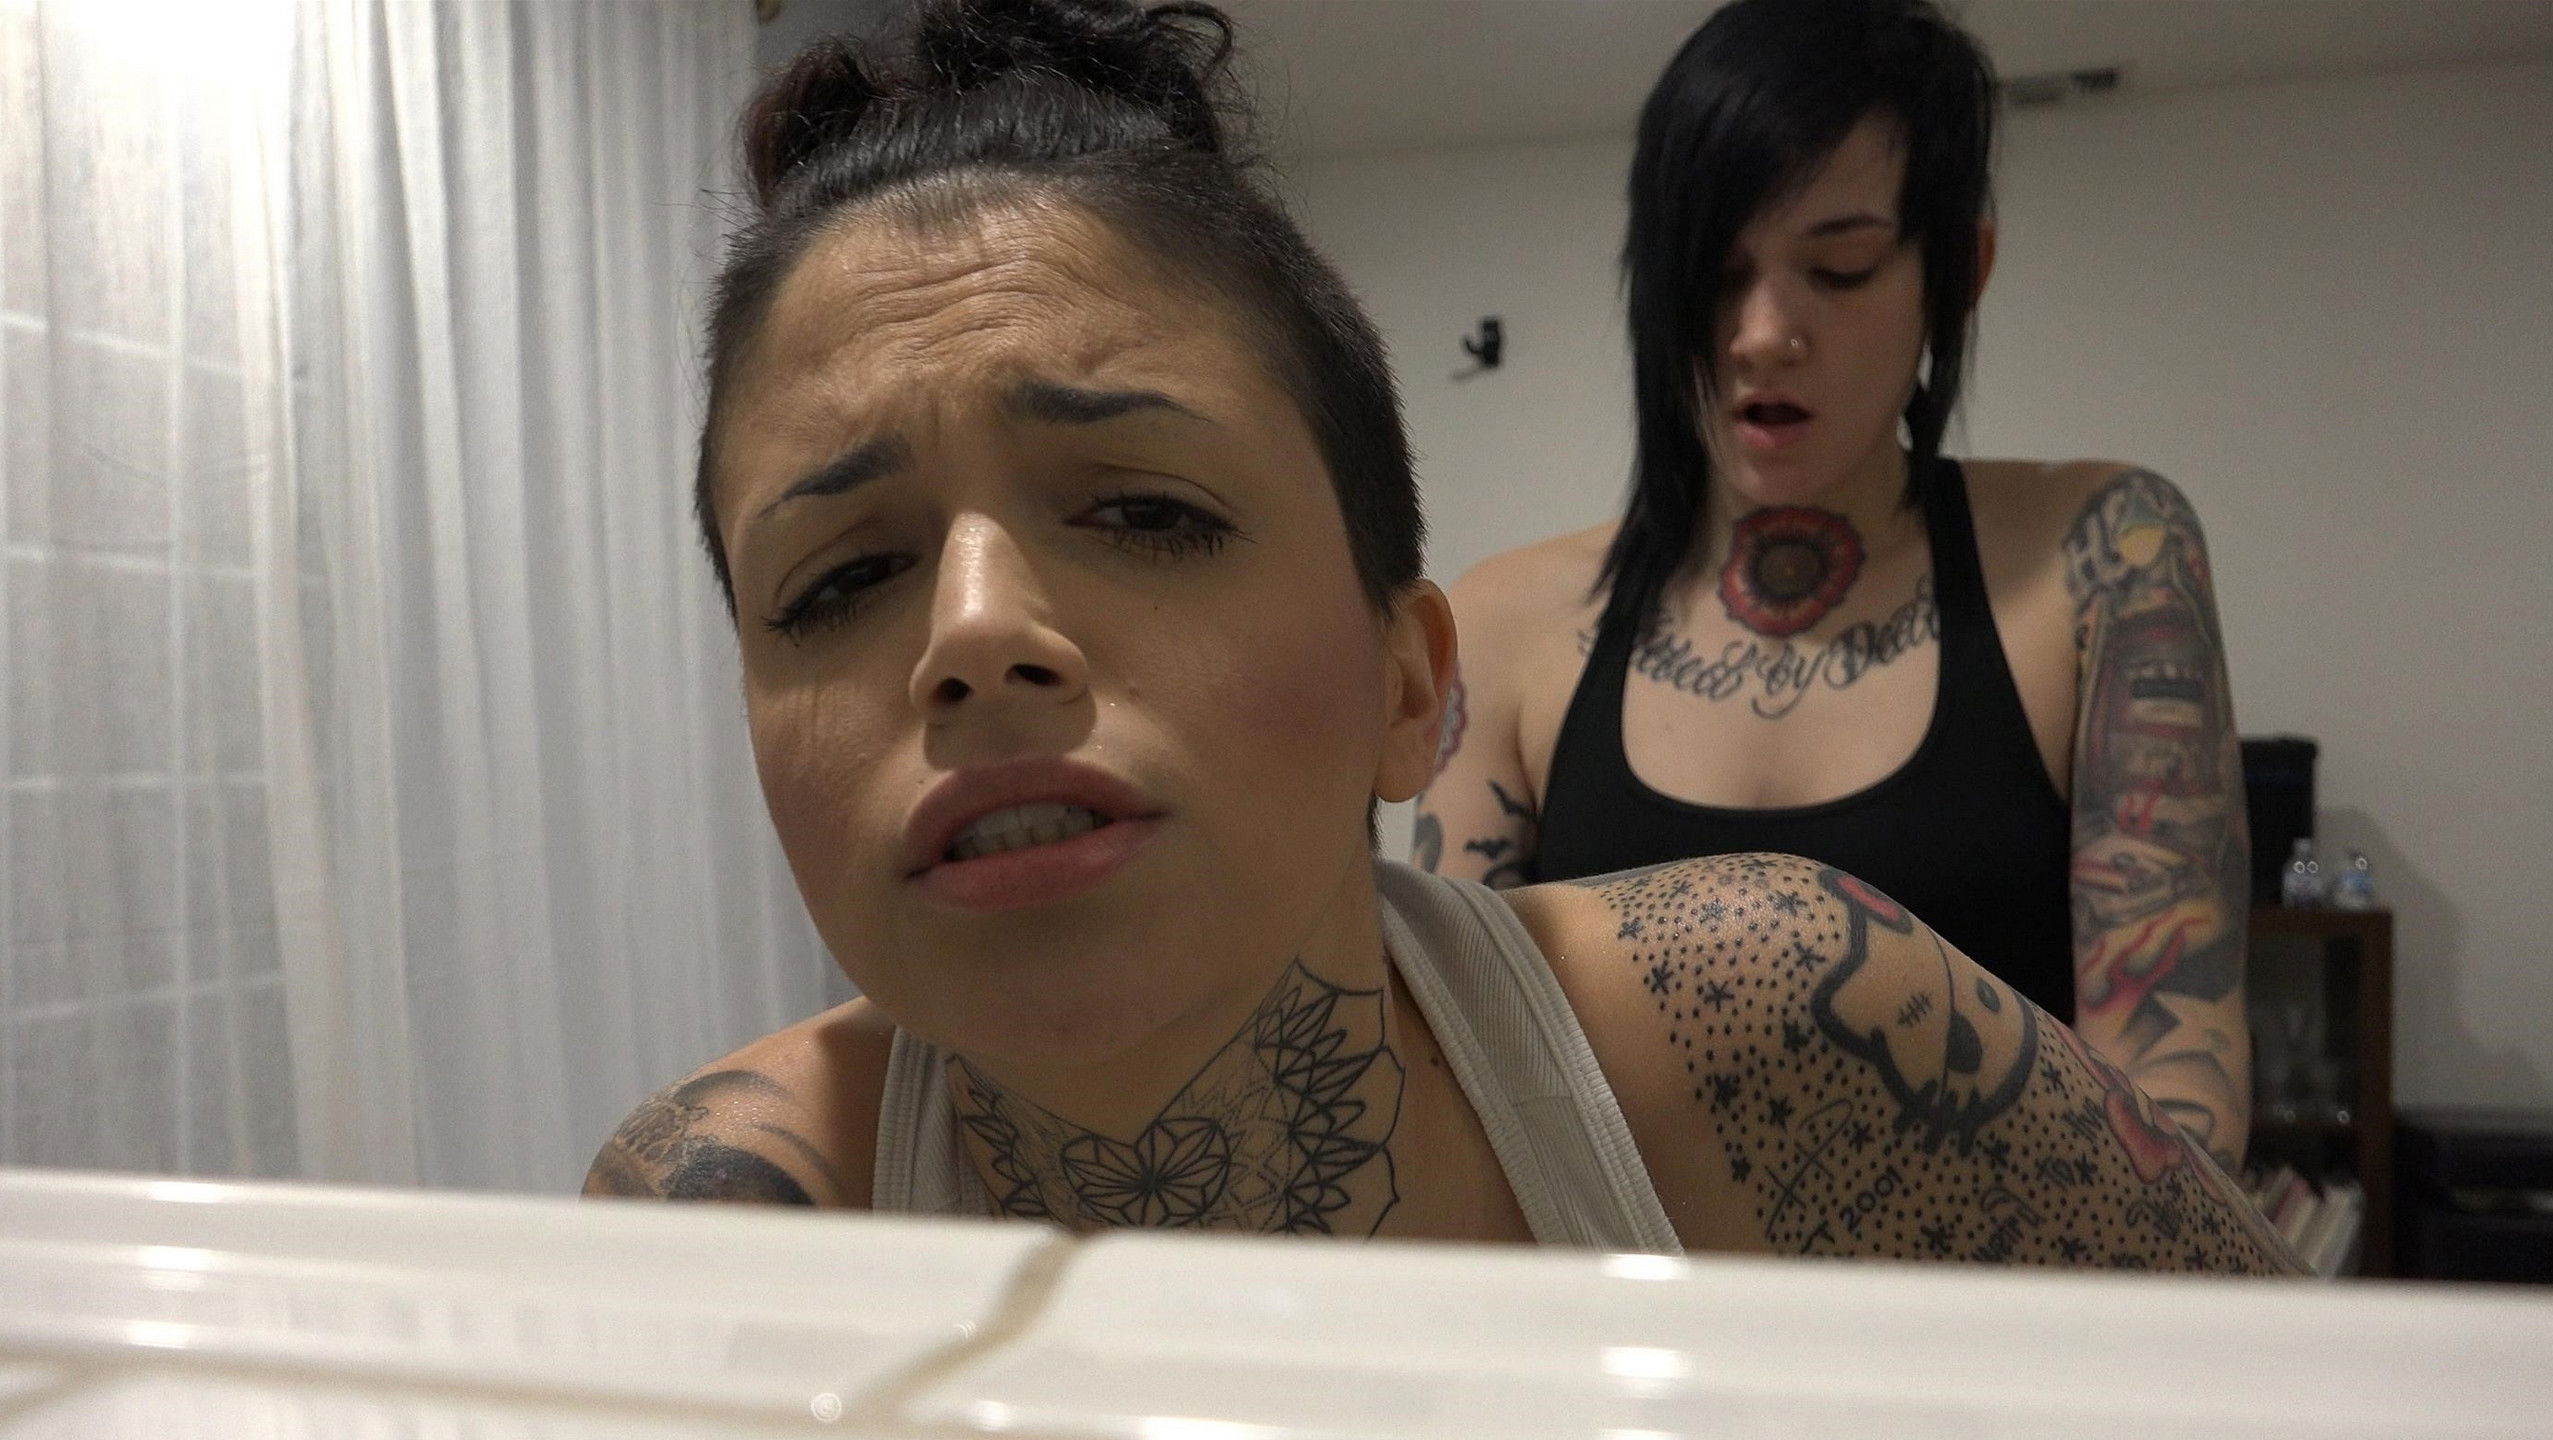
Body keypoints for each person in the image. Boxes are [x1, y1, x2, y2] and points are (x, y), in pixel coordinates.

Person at [586, 0, 2294, 1273]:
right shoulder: (712, 1224)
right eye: (835, 581)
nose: (973, 636)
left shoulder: (1824, 976)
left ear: (1409, 681)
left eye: (1146, 512)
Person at [1416, 0, 2254, 1172]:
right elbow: (1452, 1096)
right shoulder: (1505, 625)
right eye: (1714, 274)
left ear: (1955, 273)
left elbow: (2178, 1107)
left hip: (2008, 1285)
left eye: (1840, 268)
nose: (1762, 333)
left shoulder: (2105, 559)